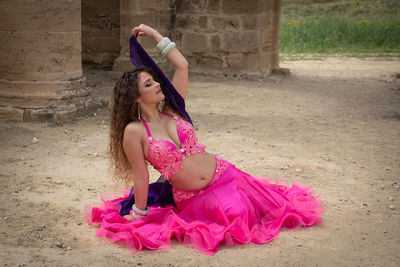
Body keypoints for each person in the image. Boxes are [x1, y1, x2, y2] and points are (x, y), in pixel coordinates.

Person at [84, 24, 324, 256]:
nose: (158, 84)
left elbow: (182, 66)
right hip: (192, 196)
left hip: (224, 174)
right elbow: (141, 175)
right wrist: (139, 213)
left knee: (263, 208)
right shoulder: (134, 131)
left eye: (155, 80)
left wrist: (156, 36)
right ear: (135, 98)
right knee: (236, 217)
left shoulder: (173, 109)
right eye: (149, 84)